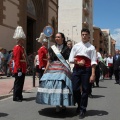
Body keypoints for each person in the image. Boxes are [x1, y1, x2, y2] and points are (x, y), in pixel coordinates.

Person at [36, 32, 73, 112]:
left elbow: (69, 60)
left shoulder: (67, 48)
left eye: (59, 37)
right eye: (56, 37)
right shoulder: (51, 48)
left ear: (63, 38)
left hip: (63, 68)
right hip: (53, 67)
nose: (57, 38)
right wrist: (45, 71)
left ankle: (63, 103)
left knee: (62, 84)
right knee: (52, 84)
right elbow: (49, 61)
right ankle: (56, 103)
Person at [69, 28, 97, 119]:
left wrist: (93, 74)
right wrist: (77, 62)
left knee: (85, 90)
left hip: (87, 70)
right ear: (81, 35)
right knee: (75, 89)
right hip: (77, 70)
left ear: (89, 36)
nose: (84, 36)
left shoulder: (92, 48)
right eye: (83, 34)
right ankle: (80, 104)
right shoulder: (76, 46)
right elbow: (70, 59)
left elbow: (93, 62)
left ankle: (82, 109)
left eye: (86, 34)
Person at [12, 26, 27, 102]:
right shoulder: (17, 48)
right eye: (22, 40)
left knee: (21, 83)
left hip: (22, 67)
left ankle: (19, 95)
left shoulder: (22, 48)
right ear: (19, 40)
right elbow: (17, 59)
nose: (23, 41)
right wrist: (18, 69)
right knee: (18, 83)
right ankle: (16, 96)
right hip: (19, 68)